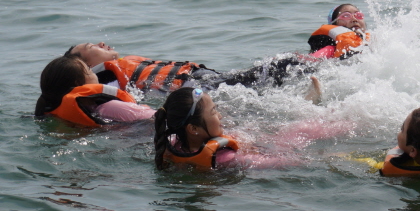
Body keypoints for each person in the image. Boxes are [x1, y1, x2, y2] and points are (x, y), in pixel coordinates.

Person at [153, 81, 340, 171]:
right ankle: (323, 111)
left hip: (252, 143)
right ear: (193, 129)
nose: (220, 115)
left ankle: (311, 104)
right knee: (303, 130)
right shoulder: (225, 158)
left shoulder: (172, 145)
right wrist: (331, 159)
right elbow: (281, 162)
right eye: (214, 112)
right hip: (273, 148)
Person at [66, 42, 311, 92]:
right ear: (84, 64)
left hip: (203, 78)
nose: (100, 43)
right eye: (91, 46)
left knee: (276, 70)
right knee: (282, 65)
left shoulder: (119, 65)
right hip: (196, 86)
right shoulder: (105, 77)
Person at [34, 55, 156, 127]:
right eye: (89, 70)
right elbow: (158, 119)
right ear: (78, 83)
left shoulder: (57, 115)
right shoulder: (110, 107)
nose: (94, 73)